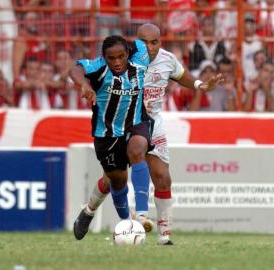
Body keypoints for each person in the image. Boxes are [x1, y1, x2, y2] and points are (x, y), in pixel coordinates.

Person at [74, 24, 223, 245]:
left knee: (162, 177)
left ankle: (164, 236)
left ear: (161, 42)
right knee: (115, 178)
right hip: (120, 124)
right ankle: (89, 210)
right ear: (137, 43)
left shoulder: (167, 60)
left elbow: (181, 75)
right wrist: (86, 86)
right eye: (145, 42)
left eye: (155, 42)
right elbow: (85, 70)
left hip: (150, 122)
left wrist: (201, 85)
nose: (151, 47)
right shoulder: (124, 59)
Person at [70, 35, 154, 241]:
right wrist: (84, 85)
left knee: (137, 150)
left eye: (121, 57)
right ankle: (94, 213)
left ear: (128, 53)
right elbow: (75, 69)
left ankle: (141, 217)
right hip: (107, 134)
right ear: (104, 57)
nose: (117, 62)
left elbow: (148, 37)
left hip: (136, 122)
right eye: (111, 58)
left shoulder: (140, 56)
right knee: (116, 180)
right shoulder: (98, 67)